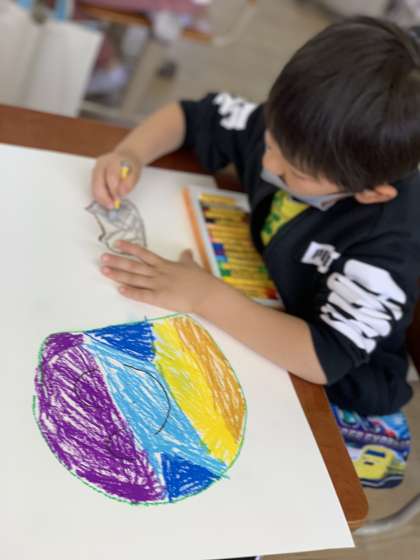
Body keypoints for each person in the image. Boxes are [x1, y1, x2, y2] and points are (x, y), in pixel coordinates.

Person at [91, 16, 420, 417]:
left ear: (371, 193)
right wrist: (130, 153)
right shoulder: (300, 130)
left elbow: (323, 356)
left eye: (295, 173)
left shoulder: (388, 245)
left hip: (336, 394)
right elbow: (192, 117)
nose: (268, 163)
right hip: (261, 306)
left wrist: (205, 296)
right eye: (270, 141)